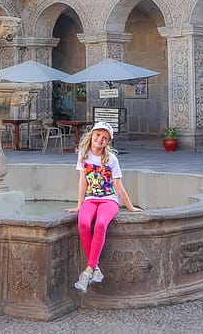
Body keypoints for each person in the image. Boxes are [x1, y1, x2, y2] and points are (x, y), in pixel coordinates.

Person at [65, 121, 140, 294]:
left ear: (108, 142)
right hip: (91, 199)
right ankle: (95, 270)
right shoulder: (83, 155)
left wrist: (130, 207)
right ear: (91, 135)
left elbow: (118, 186)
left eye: (105, 138)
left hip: (109, 200)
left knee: (100, 225)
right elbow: (82, 181)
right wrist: (79, 205)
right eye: (98, 135)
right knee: (83, 223)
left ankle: (89, 270)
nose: (100, 139)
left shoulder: (111, 159)